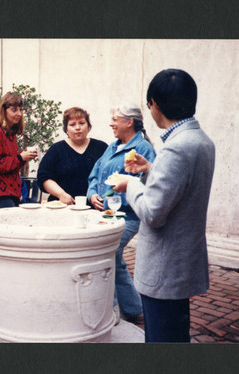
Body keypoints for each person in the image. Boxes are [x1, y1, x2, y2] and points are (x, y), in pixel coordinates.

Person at [113, 69, 216, 342]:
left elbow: (153, 212)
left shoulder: (176, 147)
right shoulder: (201, 141)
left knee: (161, 340)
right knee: (175, 336)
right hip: (181, 264)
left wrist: (130, 184)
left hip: (163, 269)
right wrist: (150, 169)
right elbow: (180, 189)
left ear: (155, 104)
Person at [87, 105, 156, 324]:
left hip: (128, 216)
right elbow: (96, 172)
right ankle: (134, 308)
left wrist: (121, 192)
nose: (111, 123)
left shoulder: (143, 148)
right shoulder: (113, 146)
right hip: (106, 214)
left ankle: (111, 309)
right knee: (114, 257)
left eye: (115, 119)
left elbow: (149, 185)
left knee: (106, 253)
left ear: (130, 122)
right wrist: (92, 195)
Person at [37, 107, 107, 205]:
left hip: (94, 207)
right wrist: (61, 194)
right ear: (66, 129)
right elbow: (43, 177)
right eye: (72, 124)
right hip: (62, 207)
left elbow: (109, 176)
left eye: (81, 123)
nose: (77, 127)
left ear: (89, 126)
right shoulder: (56, 149)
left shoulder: (101, 148)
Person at [0, 92, 37, 209]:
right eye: (14, 110)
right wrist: (20, 157)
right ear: (4, 111)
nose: (19, 114)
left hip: (11, 194)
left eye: (20, 110)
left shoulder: (10, 134)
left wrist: (24, 157)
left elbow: (10, 166)